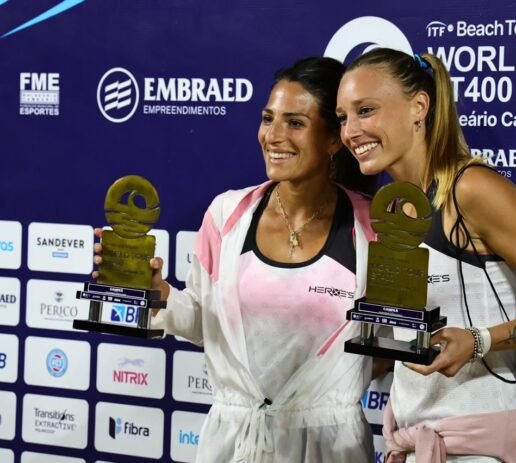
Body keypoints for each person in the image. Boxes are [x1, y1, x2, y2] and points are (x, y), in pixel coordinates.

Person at [94, 57, 384, 463]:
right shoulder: (226, 215)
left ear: (334, 139)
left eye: (295, 123)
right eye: (268, 119)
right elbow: (203, 321)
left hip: (334, 447)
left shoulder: (373, 227)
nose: (273, 136)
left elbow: (388, 344)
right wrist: (156, 292)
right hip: (232, 444)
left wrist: (321, 392)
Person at [336, 48, 516, 463]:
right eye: (342, 118)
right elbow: (402, 339)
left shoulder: (472, 190)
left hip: (483, 444)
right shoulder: (392, 203)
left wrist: (479, 340)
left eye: (365, 110)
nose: (351, 131)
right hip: (409, 439)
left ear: (419, 107)